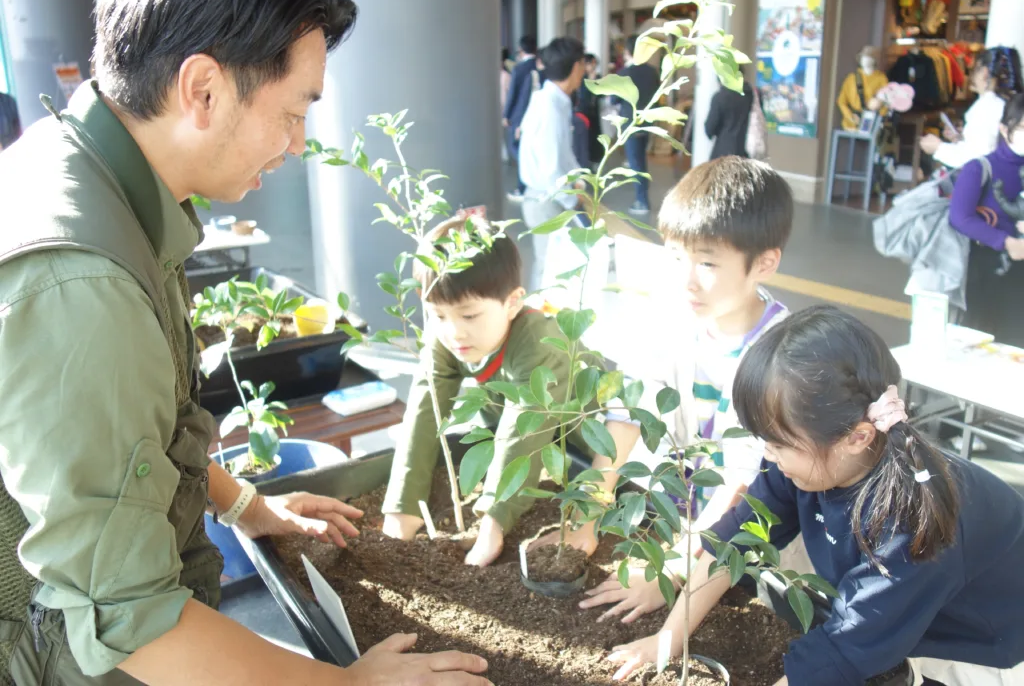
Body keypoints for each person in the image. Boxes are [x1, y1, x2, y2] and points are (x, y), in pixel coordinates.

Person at [0, 0, 490, 685]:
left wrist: (244, 505)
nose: (296, 144)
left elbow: (136, 437)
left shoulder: (89, 178)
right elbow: (126, 620)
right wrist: (347, 683)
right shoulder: (83, 282)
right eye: (293, 112)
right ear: (203, 89)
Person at [607, 306, 1024, 685]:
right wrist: (667, 639)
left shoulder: (912, 519)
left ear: (857, 437)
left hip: (983, 650)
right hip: (908, 621)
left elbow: (843, 647)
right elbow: (733, 539)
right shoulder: (809, 462)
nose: (768, 455)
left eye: (778, 443)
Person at [539, 158, 794, 582]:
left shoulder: (782, 356)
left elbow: (742, 481)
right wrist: (588, 517)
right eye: (676, 257)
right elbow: (627, 413)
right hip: (681, 518)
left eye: (707, 264)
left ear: (765, 263)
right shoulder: (673, 318)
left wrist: (673, 573)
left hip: (746, 546)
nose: (686, 280)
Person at [381, 216, 572, 568]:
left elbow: (522, 434)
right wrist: (401, 510)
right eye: (438, 315)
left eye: (469, 316)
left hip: (579, 442)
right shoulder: (447, 335)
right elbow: (424, 413)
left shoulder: (538, 341)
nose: (454, 332)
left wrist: (492, 525)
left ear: (512, 302)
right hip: (520, 432)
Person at [949, 92, 1024, 346]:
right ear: (1004, 128)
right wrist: (1007, 242)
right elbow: (960, 217)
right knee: (980, 342)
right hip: (985, 270)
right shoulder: (979, 168)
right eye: (1022, 127)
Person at [518, 36, 587, 292]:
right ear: (576, 66)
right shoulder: (550, 107)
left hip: (547, 198)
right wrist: (573, 199)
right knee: (551, 273)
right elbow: (551, 168)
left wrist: (578, 180)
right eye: (583, 64)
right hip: (548, 202)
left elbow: (561, 154)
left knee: (550, 269)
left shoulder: (551, 100)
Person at [919, 46, 1023, 171]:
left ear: (984, 72)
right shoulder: (1012, 103)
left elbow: (973, 158)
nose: (971, 75)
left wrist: (938, 148)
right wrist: (962, 138)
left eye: (974, 69)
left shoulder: (988, 106)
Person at [617, 34, 660, 215]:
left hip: (630, 122)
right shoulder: (652, 72)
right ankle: (643, 196)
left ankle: (642, 201)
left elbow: (615, 99)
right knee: (641, 160)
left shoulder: (624, 73)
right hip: (648, 121)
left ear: (628, 51)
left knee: (635, 162)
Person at [503, 34, 543, 201]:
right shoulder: (540, 68)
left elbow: (513, 94)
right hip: (538, 115)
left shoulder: (519, 69)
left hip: (520, 116)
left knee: (518, 150)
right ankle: (531, 183)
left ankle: (523, 187)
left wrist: (506, 115)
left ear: (521, 49)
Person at [704, 74, 754, 160]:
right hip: (744, 152)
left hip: (723, 152)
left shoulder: (720, 97)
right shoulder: (749, 95)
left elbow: (710, 129)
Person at [574, 53, 603, 168]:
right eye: (591, 63)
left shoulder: (598, 77)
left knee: (595, 136)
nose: (593, 66)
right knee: (585, 137)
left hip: (594, 112)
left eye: (595, 63)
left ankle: (595, 160)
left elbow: (601, 94)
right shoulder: (581, 77)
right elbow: (583, 95)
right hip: (583, 112)